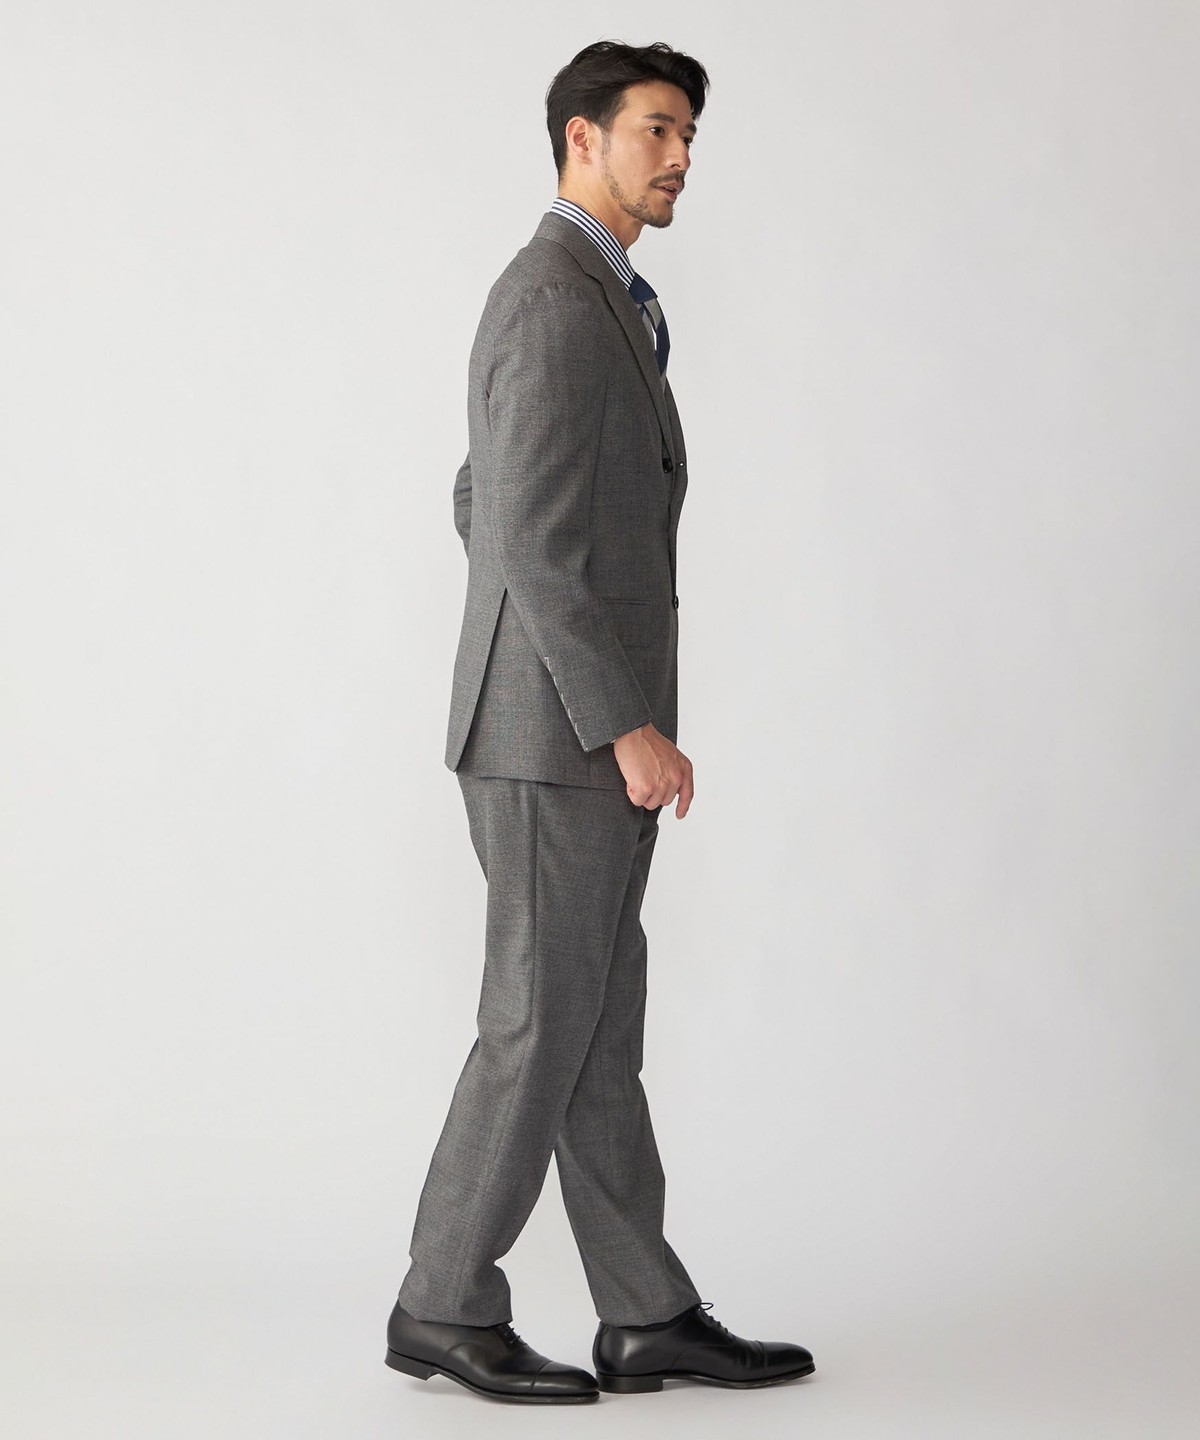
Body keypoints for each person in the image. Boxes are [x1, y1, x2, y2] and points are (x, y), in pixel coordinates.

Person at [385, 39, 815, 1405]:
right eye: (657, 130)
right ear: (584, 138)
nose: (681, 157)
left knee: (594, 1033)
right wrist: (617, 716)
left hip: (562, 730)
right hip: (552, 744)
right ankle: (441, 1303)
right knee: (537, 1025)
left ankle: (644, 1313)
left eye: (689, 134)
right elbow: (517, 526)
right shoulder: (554, 300)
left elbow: (482, 498)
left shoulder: (597, 296)